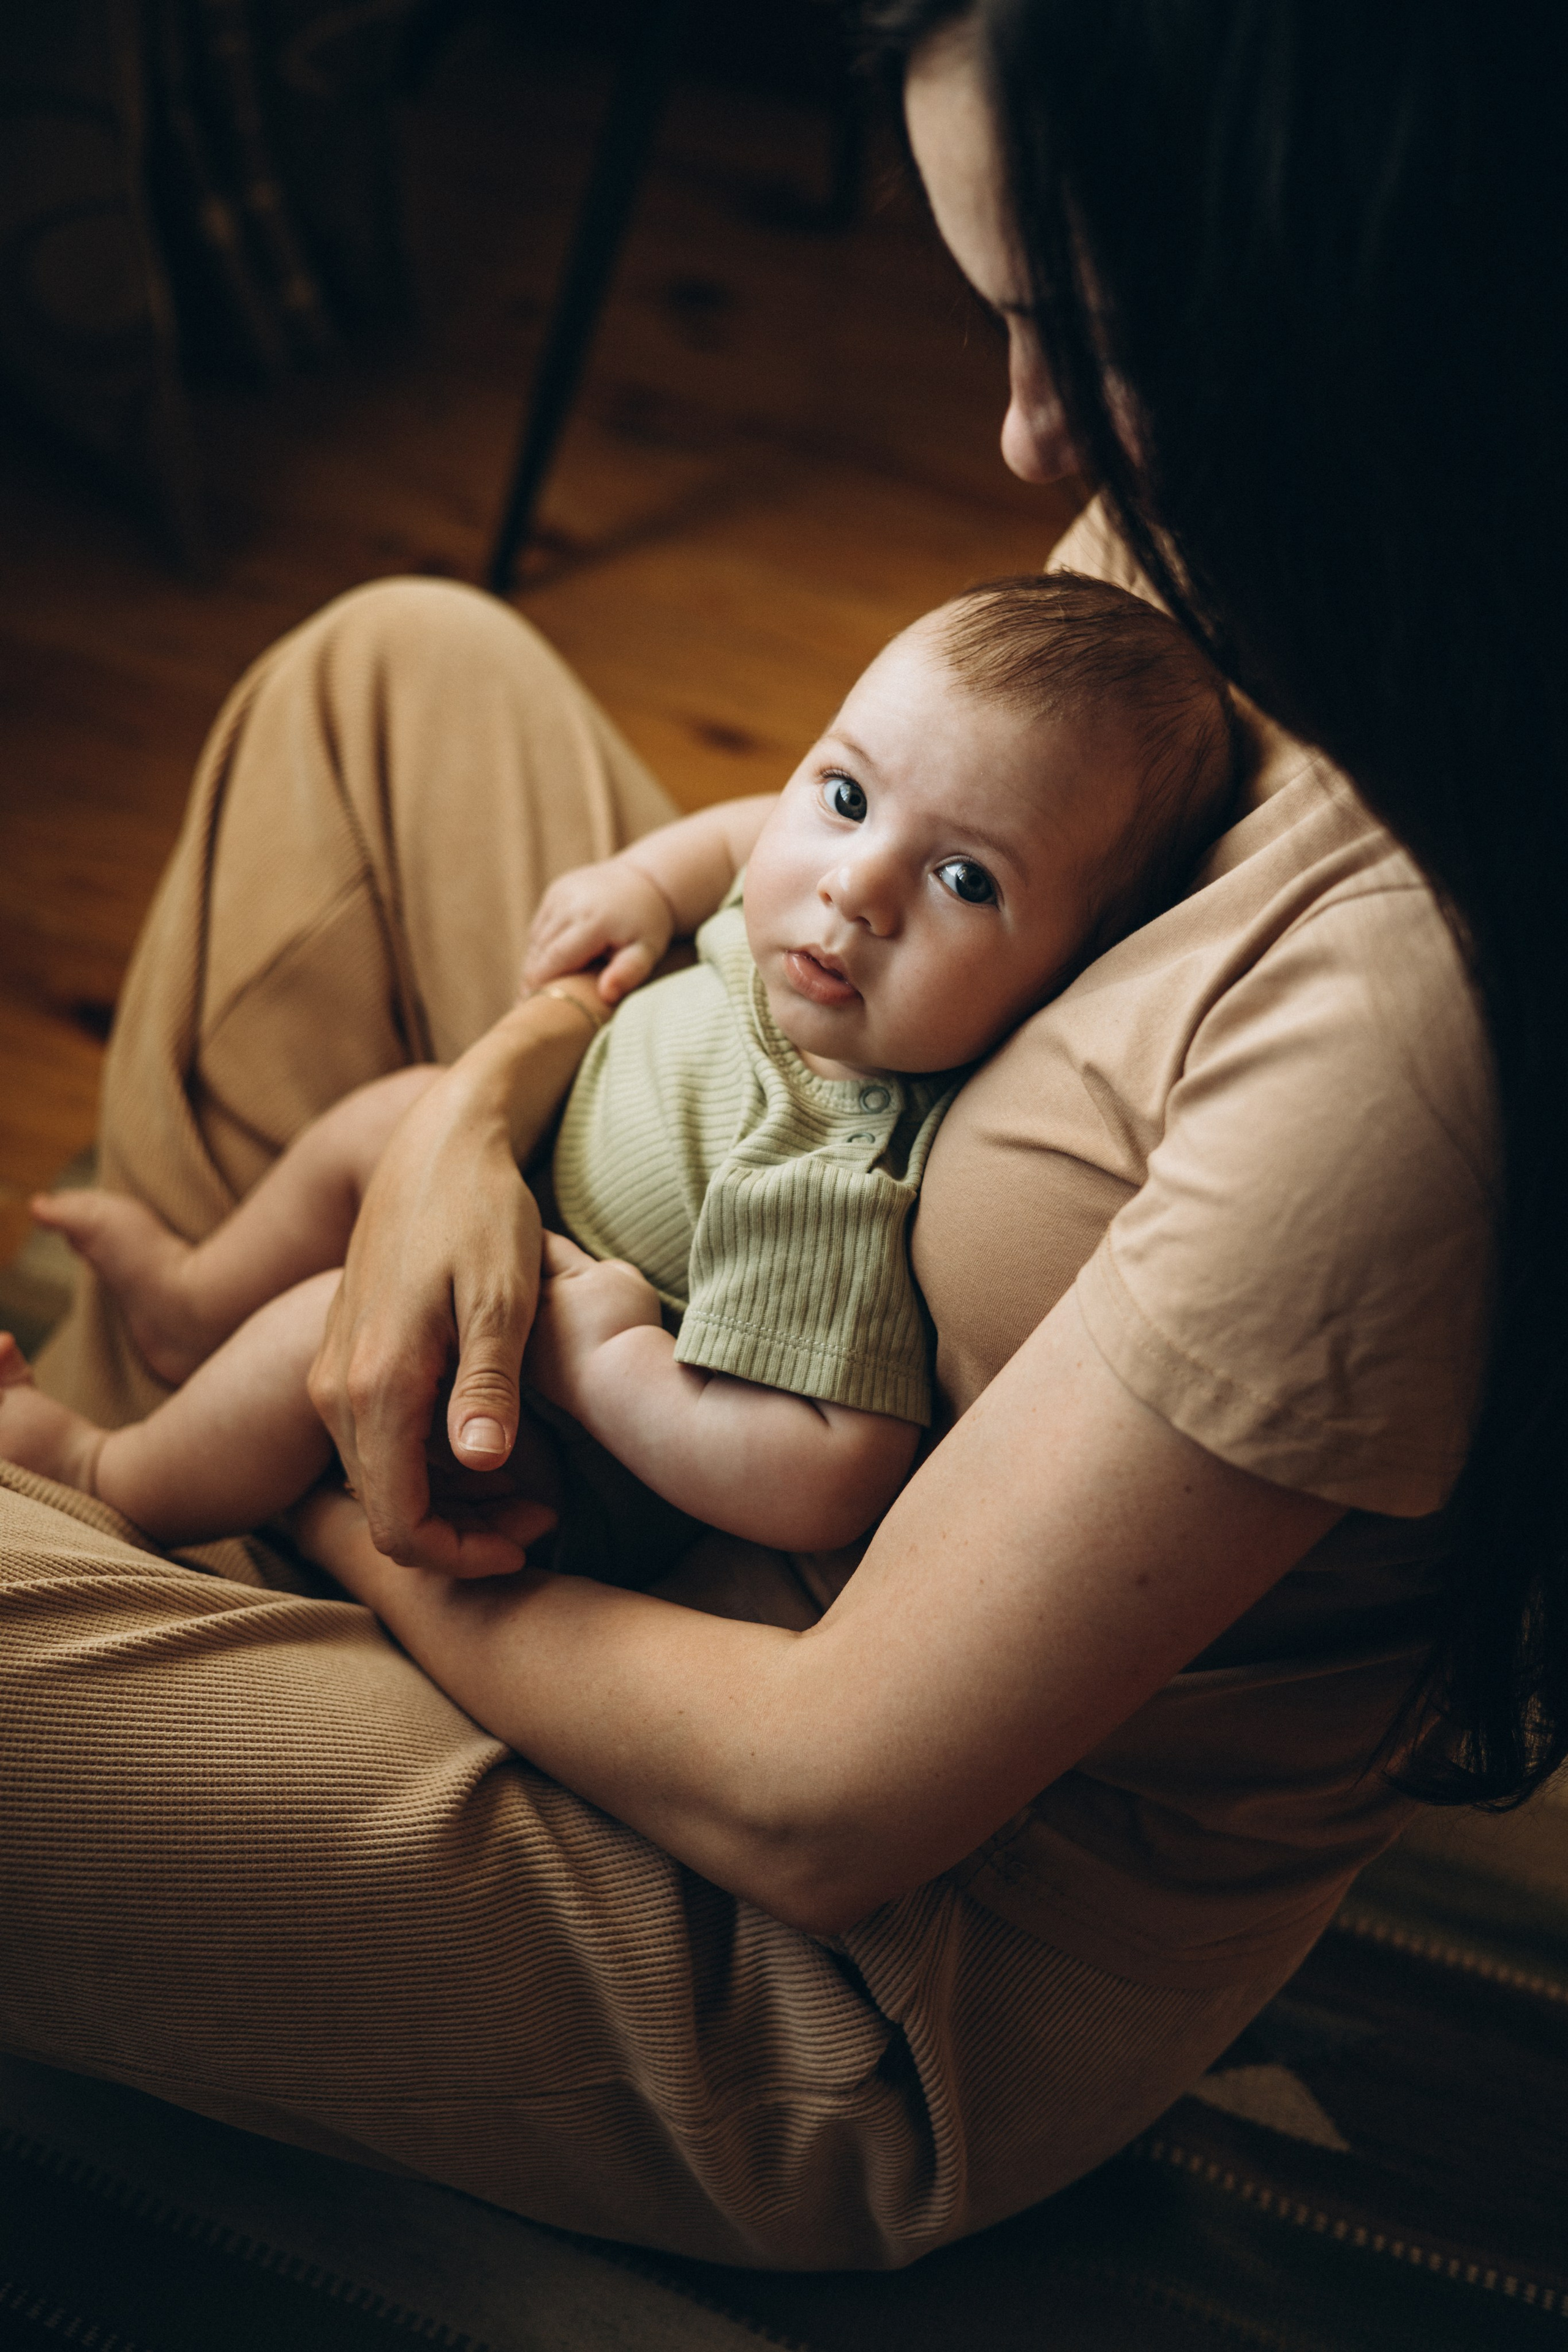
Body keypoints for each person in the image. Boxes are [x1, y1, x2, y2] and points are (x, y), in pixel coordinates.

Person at [0, 0, 1558, 2275]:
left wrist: (365, 1511)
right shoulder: (1283, 517)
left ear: (1361, 277)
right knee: (394, 678)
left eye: (1092, 331)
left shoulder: (1413, 1019)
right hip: (704, 1384)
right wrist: (477, 1114)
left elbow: (827, 1802)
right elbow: (885, 835)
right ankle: (178, 1539)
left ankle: (195, 1545)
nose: (1034, 442)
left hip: (831, 1939)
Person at [0, 576, 1235, 1563]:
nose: (852, 884)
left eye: (965, 880)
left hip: (539, 1433)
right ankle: (191, 1301)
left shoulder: (833, 1160)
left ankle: (113, 1481)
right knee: (389, 1119)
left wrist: (603, 1369)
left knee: (309, 1336)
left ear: (1066, 978)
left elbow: (831, 1470)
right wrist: (650, 883)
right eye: (850, 792)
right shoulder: (824, 916)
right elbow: (761, 825)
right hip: (524, 1192)